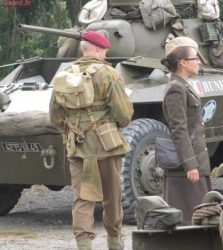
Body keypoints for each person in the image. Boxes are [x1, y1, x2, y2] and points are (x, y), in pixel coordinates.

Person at [49, 31, 133, 250]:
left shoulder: (65, 73)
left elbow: (55, 116)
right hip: (107, 145)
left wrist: (73, 129)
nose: (105, 54)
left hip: (77, 145)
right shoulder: (109, 73)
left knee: (82, 197)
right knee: (112, 195)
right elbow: (124, 113)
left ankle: (84, 245)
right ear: (96, 50)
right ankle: (115, 241)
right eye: (104, 50)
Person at [160, 36, 211, 225]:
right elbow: (178, 129)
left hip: (194, 163)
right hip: (186, 170)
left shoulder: (182, 85)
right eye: (194, 58)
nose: (198, 62)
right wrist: (190, 164)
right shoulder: (176, 88)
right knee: (189, 220)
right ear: (182, 63)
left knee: (199, 217)